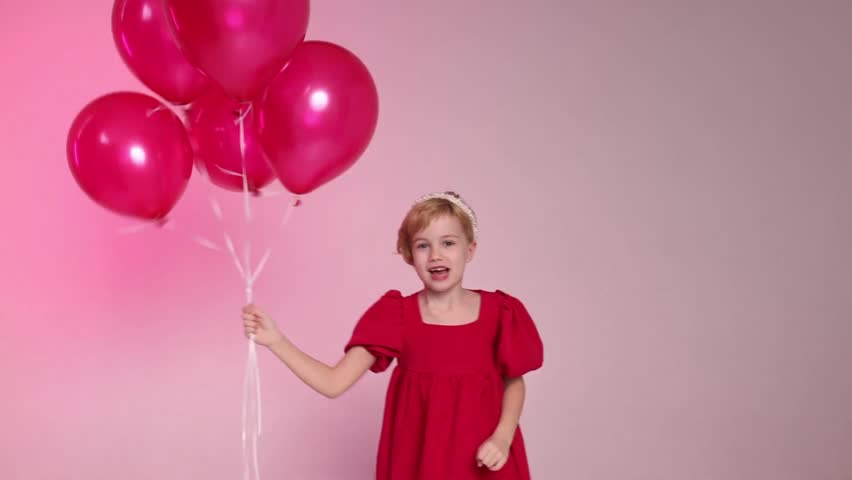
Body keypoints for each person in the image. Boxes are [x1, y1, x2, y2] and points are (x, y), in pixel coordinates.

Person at [242, 191, 544, 479]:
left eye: (448, 243)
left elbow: (513, 382)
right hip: (423, 464)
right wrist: (277, 341)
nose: (435, 255)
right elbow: (333, 383)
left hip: (487, 459)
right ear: (409, 254)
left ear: (470, 249)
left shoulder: (500, 312)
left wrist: (503, 437)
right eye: (423, 245)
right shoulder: (396, 316)